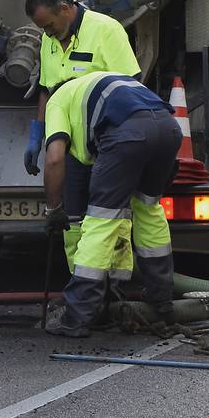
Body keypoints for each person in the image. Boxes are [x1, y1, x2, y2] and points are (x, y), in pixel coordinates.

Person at [40, 71, 179, 337]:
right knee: (149, 210)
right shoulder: (106, 84)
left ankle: (77, 316)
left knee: (101, 219)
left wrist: (54, 209)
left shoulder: (58, 99)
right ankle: (161, 302)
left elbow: (55, 158)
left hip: (128, 135)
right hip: (168, 129)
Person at [23, 0, 141, 268]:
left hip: (106, 145)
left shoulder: (106, 30)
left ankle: (115, 286)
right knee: (72, 220)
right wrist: (37, 134)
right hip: (71, 147)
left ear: (65, 9)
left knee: (108, 218)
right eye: (43, 28)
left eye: (49, 25)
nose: (47, 33)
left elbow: (131, 88)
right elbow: (46, 89)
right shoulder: (48, 39)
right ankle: (80, 284)